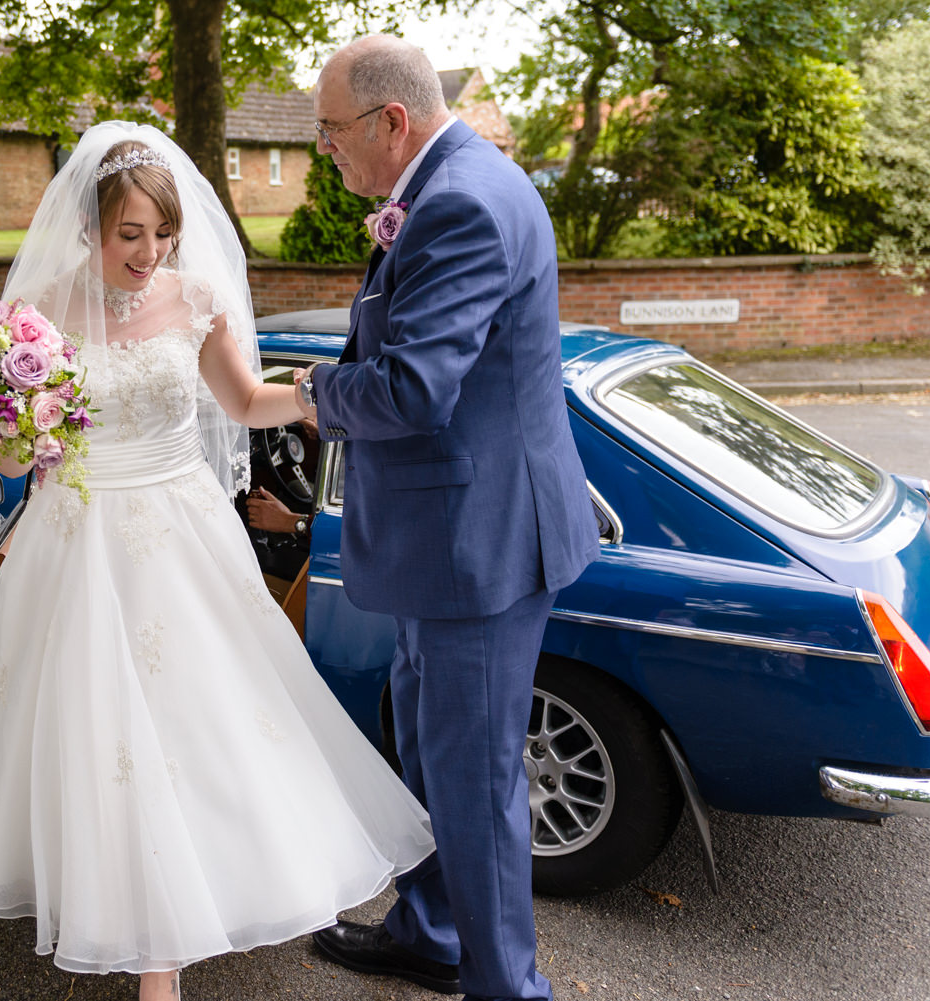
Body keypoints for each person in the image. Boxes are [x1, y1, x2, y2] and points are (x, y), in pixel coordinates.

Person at [0, 122, 435, 1001]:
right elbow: (8, 461)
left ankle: (184, 926)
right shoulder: (37, 317)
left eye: (161, 233)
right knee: (106, 734)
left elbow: (245, 399)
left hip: (179, 532)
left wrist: (321, 397)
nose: (149, 252)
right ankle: (148, 945)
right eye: (129, 235)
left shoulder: (199, 295)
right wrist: (16, 436)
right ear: (91, 231)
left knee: (197, 723)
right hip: (81, 538)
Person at [298, 37, 601, 1001]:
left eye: (331, 131)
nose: (324, 151)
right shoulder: (451, 184)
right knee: (428, 752)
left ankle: (508, 989)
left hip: (480, 549)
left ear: (393, 121)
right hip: (449, 543)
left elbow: (412, 389)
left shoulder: (462, 201)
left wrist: (309, 391)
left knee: (473, 788)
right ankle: (430, 932)